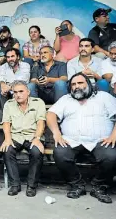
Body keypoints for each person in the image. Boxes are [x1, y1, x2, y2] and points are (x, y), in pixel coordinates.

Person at [47, 73, 116, 204]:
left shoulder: (103, 97)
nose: (77, 86)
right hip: (72, 141)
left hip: (100, 141)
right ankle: (77, 185)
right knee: (60, 152)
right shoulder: (66, 99)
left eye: (80, 83)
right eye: (73, 84)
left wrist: (114, 135)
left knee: (111, 156)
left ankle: (99, 186)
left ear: (89, 84)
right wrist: (56, 133)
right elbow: (50, 114)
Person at [1, 80, 46, 197]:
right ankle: (15, 184)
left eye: (21, 91)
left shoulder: (38, 103)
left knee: (37, 151)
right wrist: (7, 138)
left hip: (32, 135)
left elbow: (41, 122)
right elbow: (6, 123)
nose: (18, 94)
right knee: (7, 149)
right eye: (15, 92)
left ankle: (31, 186)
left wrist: (37, 138)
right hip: (16, 135)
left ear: (28, 92)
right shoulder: (9, 104)